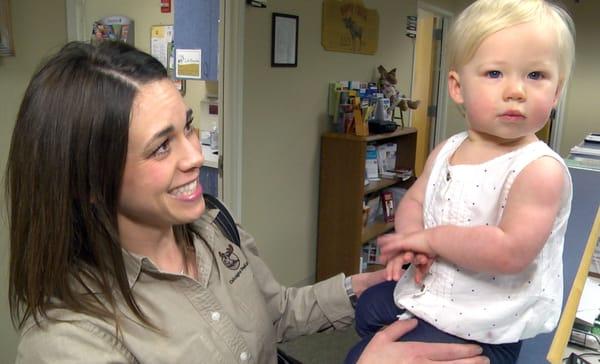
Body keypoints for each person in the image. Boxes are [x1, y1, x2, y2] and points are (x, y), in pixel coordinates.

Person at [6, 41, 490, 364]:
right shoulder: (69, 340)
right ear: (90, 182)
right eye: (161, 146)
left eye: (188, 126)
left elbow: (276, 311)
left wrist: (369, 285)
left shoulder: (214, 225)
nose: (195, 156)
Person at [346, 0, 575, 363]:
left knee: (357, 356)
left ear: (557, 92)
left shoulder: (538, 170)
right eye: (495, 73)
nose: (516, 90)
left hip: (486, 322)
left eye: (535, 76)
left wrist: (432, 239)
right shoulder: (448, 149)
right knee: (367, 310)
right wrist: (411, 240)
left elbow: (509, 251)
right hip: (438, 291)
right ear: (457, 87)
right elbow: (416, 201)